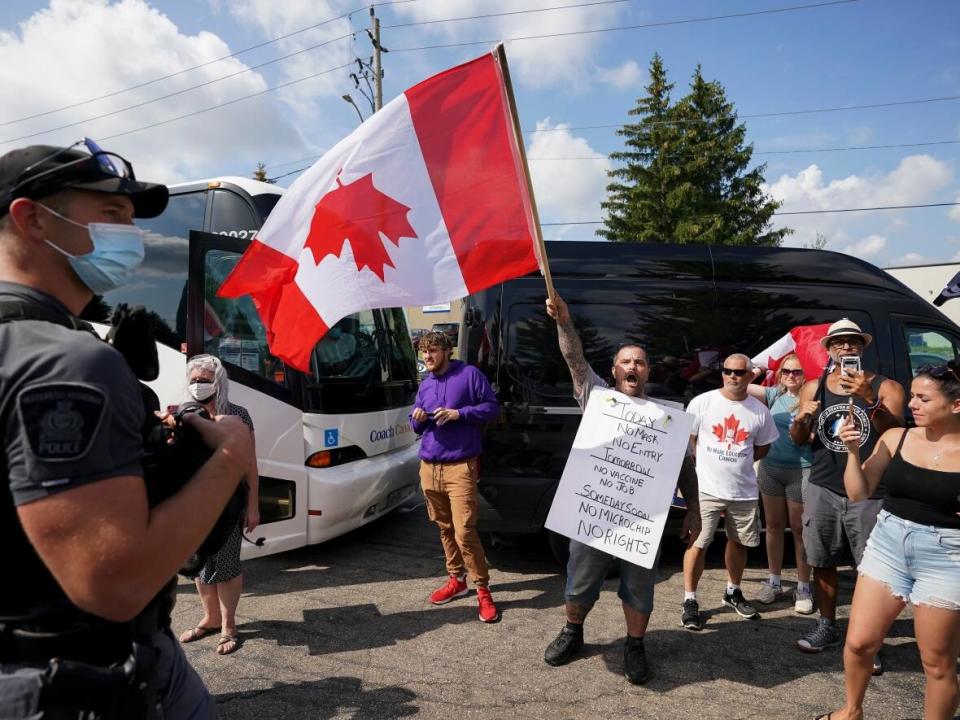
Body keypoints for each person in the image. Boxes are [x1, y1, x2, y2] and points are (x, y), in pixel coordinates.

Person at [0, 141, 253, 718]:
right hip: (80, 677)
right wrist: (229, 459)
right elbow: (113, 584)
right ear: (31, 217)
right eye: (112, 214)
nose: (130, 232)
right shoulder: (63, 362)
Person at [541, 294, 700, 685]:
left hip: (643, 522)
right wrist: (564, 322)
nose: (633, 367)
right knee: (579, 582)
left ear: (647, 372)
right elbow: (575, 361)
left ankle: (635, 644)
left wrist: (694, 509)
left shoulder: (668, 417)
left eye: (640, 362)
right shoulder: (597, 397)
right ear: (614, 370)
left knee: (640, 589)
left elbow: (684, 465)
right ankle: (573, 632)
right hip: (595, 516)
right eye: (626, 361)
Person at [815, 361, 960, 720]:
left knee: (937, 663)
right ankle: (851, 710)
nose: (912, 404)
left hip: (947, 556)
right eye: (912, 396)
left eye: (923, 399)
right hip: (888, 544)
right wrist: (851, 452)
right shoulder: (897, 437)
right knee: (859, 643)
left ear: (956, 405)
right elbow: (858, 492)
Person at [790, 319, 905, 668]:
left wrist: (870, 400)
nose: (847, 348)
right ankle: (827, 625)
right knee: (821, 559)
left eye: (853, 342)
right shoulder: (813, 387)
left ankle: (868, 639)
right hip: (823, 484)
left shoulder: (887, 387)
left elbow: (896, 438)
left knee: (870, 569)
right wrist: (801, 420)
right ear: (828, 350)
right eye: (839, 343)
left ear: (863, 348)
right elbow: (798, 440)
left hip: (870, 491)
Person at [681, 353, 779, 631]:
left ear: (750, 375)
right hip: (706, 488)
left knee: (739, 542)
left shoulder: (759, 411)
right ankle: (690, 599)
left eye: (739, 372)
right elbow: (690, 441)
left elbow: (763, 447)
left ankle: (733, 591)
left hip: (743, 490)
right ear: (722, 373)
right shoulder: (703, 402)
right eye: (727, 371)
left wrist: (741, 461)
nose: (733, 376)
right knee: (698, 543)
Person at [409, 330, 501, 623]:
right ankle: (457, 581)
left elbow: (491, 408)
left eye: (433, 351)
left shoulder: (470, 374)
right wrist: (418, 419)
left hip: (460, 466)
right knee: (444, 528)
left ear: (447, 351)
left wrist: (458, 414)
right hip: (429, 467)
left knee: (464, 531)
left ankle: (482, 589)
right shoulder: (425, 385)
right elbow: (416, 425)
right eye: (424, 352)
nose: (428, 357)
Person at [178, 354, 259, 656]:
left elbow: (251, 464)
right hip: (193, 505)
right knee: (199, 566)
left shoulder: (238, 415)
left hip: (229, 504)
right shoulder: (186, 414)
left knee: (225, 565)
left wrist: (253, 505)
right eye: (194, 381)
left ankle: (228, 625)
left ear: (218, 382)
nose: (199, 385)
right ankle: (210, 618)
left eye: (205, 380)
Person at [746, 354, 815, 614]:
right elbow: (741, 385)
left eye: (797, 372)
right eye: (786, 371)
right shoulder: (775, 395)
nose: (790, 376)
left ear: (806, 374)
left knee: (800, 530)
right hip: (771, 468)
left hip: (802, 470)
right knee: (773, 527)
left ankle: (803, 586)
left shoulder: (814, 400)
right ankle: (774, 581)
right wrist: (758, 369)